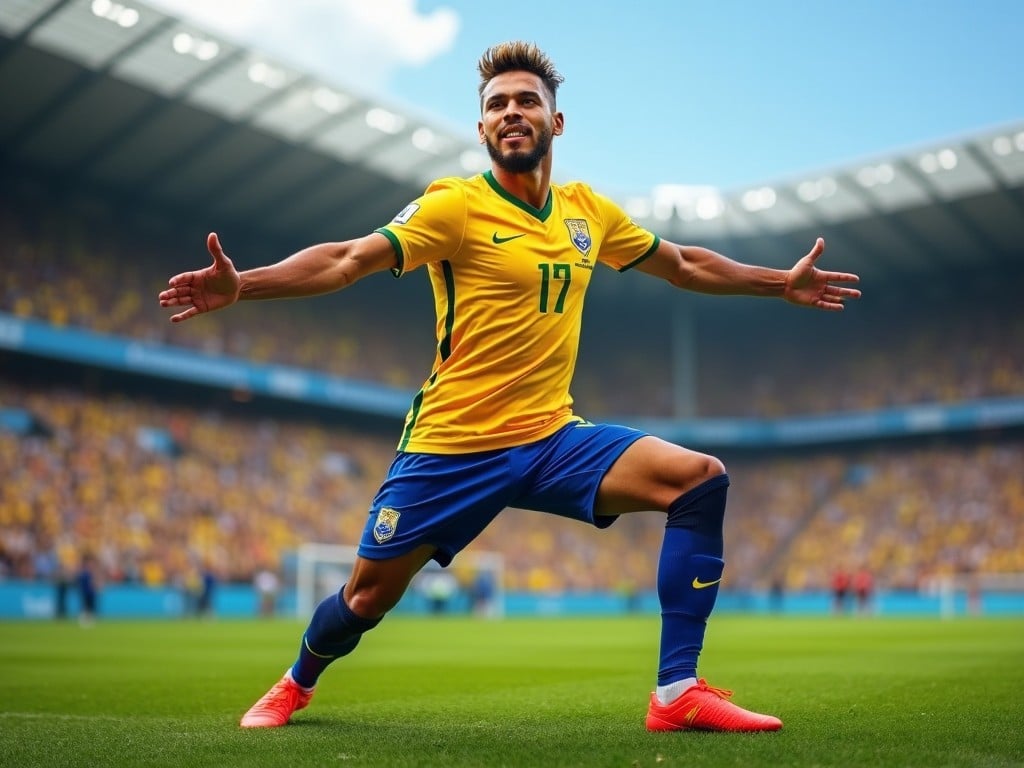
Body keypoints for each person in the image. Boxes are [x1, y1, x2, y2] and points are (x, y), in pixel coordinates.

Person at [159, 41, 860, 733]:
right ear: (482, 128)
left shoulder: (589, 214)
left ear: (557, 123)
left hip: (552, 437)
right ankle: (295, 683)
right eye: (497, 105)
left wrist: (779, 283)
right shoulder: (454, 208)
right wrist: (243, 286)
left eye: (527, 101)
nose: (511, 111)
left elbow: (682, 264)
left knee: (699, 480)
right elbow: (346, 260)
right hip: (451, 447)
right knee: (365, 598)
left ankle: (676, 690)